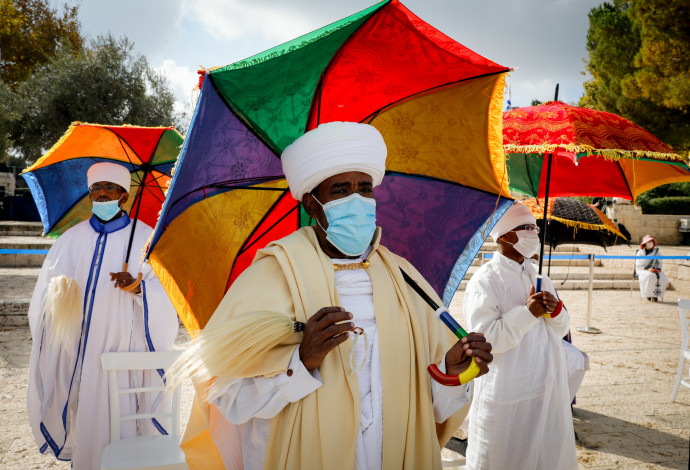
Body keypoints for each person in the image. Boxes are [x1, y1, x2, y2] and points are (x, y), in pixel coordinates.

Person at [178, 121, 493, 470]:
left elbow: (430, 409)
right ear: (312, 205)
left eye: (365, 189)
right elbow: (228, 399)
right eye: (341, 190)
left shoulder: (406, 277)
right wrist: (300, 361)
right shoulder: (271, 275)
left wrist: (451, 373)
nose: (356, 200)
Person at [26, 162, 179, 469]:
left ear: (124, 196)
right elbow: (45, 293)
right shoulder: (70, 239)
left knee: (122, 422)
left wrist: (138, 288)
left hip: (126, 350)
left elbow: (167, 296)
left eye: (110, 188)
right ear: (90, 194)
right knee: (87, 417)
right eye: (96, 188)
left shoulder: (146, 239)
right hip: (81, 351)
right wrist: (58, 295)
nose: (102, 194)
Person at [463, 203, 577, 470]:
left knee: (546, 455)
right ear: (504, 236)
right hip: (509, 390)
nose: (533, 233)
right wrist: (528, 313)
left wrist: (555, 311)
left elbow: (561, 330)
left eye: (535, 228)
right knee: (505, 456)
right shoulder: (485, 280)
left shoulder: (539, 277)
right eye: (525, 228)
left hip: (546, 386)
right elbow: (488, 340)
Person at [635, 234, 668, 301]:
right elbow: (638, 264)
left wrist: (658, 269)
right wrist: (648, 269)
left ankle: (656, 295)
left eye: (651, 241)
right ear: (645, 244)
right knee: (650, 276)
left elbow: (660, 262)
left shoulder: (657, 252)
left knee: (662, 276)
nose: (650, 243)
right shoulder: (640, 253)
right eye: (648, 242)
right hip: (642, 270)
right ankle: (648, 295)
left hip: (654, 270)